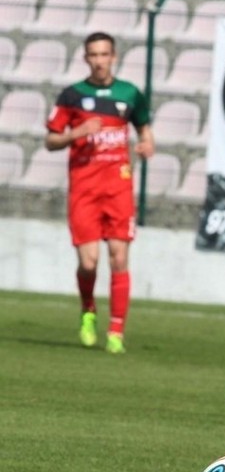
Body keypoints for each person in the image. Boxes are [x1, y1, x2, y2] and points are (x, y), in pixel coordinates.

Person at [45, 31, 155, 354]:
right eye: (93, 55)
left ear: (113, 56)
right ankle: (88, 309)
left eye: (104, 54)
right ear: (86, 58)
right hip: (84, 188)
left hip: (118, 188)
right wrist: (77, 132)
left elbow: (144, 130)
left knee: (119, 257)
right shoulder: (71, 95)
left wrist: (148, 144)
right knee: (89, 263)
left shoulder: (130, 93)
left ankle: (116, 331)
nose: (98, 60)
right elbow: (50, 140)